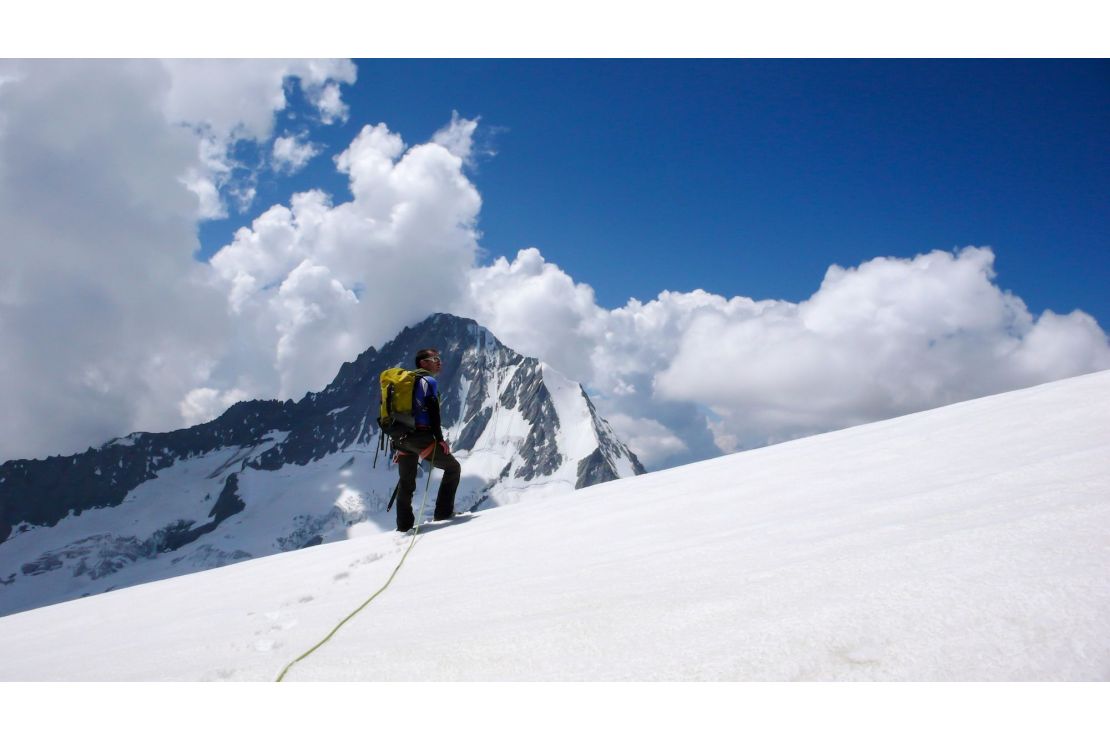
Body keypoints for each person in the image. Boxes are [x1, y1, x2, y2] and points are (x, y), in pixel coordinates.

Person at [390, 348, 461, 531]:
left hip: (401, 438)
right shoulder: (428, 381)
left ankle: (404, 527)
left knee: (406, 482)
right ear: (423, 363)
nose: (439, 362)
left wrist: (396, 442)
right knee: (453, 468)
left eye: (439, 358)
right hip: (420, 436)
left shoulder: (404, 383)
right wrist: (440, 439)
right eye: (434, 359)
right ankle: (443, 514)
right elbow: (433, 411)